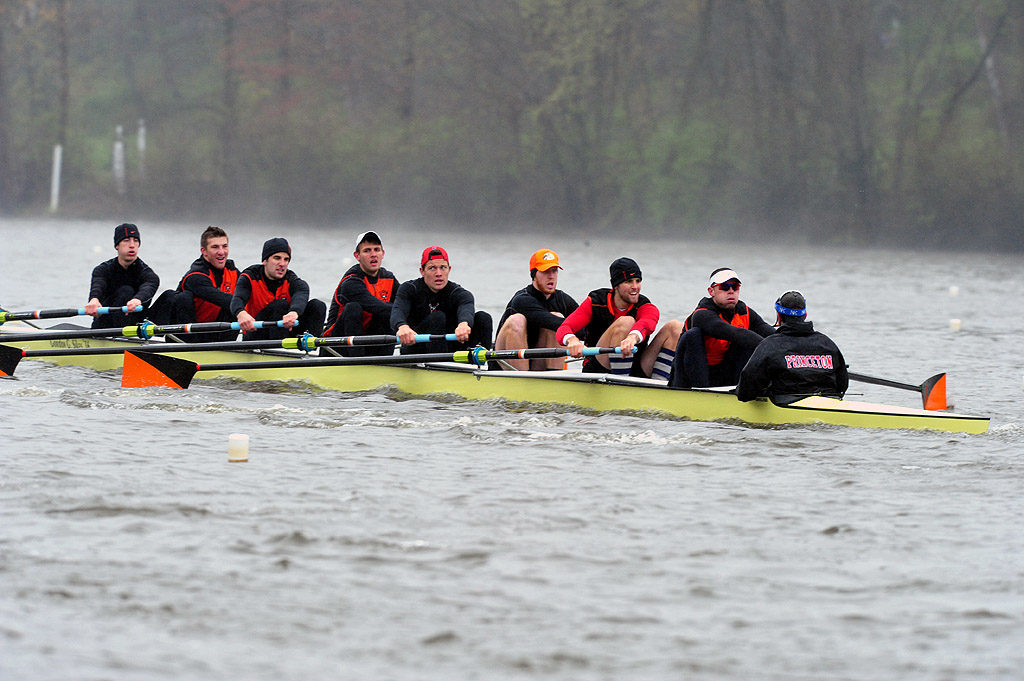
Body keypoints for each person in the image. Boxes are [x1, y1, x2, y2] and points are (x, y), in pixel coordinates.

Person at [555, 257, 682, 379]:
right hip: (598, 366)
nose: (635, 287)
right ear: (616, 286)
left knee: (676, 327)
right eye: (629, 281)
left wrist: (633, 337)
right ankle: (620, 384)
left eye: (638, 281)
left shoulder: (645, 306)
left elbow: (647, 323)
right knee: (626, 322)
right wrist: (572, 340)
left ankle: (659, 386)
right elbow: (564, 328)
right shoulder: (595, 301)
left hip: (636, 367)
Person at [668, 267, 775, 388]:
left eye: (735, 287)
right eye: (724, 287)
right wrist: (773, 349)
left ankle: (742, 388)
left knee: (748, 342)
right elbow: (733, 333)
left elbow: (772, 334)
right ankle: (700, 392)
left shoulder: (745, 312)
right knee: (693, 335)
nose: (731, 291)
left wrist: (792, 340)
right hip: (689, 376)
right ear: (711, 291)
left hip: (722, 375)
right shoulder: (702, 314)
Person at [737, 291, 848, 404]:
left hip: (785, 405)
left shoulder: (770, 345)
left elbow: (745, 392)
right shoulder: (827, 343)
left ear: (779, 316)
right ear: (805, 315)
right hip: (829, 402)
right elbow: (842, 385)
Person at [391, 246, 492, 355]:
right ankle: (439, 365)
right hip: (417, 348)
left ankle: (483, 363)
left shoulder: (459, 293)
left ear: (449, 269)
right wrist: (402, 327)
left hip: (451, 348)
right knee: (437, 317)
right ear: (422, 271)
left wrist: (463, 324)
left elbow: (466, 308)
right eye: (432, 268)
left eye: (443, 267)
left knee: (483, 317)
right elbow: (397, 311)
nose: (438, 273)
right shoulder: (409, 289)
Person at [494, 248, 579, 370]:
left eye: (554, 271)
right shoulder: (522, 299)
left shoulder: (563, 300)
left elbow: (585, 325)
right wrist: (572, 337)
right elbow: (552, 322)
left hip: (536, 364)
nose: (551, 277)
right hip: (506, 363)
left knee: (559, 317)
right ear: (534, 274)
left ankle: (556, 379)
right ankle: (521, 380)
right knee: (518, 320)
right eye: (545, 272)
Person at [230, 237, 326, 341]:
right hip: (256, 332)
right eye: (277, 258)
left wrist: (294, 312)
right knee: (280, 305)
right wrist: (241, 313)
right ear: (265, 260)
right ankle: (278, 351)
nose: (282, 264)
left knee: (318, 305)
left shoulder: (292, 280)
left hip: (284, 330)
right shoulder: (249, 277)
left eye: (286, 259)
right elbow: (237, 299)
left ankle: (310, 348)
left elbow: (301, 293)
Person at [322, 231, 399, 356]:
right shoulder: (351, 281)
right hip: (335, 346)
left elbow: (403, 302)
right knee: (355, 308)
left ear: (383, 253)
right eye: (367, 251)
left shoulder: (389, 278)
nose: (373, 255)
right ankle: (358, 361)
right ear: (357, 256)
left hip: (367, 341)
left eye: (376, 250)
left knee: (394, 312)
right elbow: (377, 306)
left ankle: (385, 360)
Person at [161, 226, 240, 342]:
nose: (221, 252)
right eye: (215, 247)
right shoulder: (196, 276)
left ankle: (231, 347)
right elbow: (221, 299)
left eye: (225, 246)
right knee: (235, 304)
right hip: (185, 338)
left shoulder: (232, 272)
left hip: (214, 334)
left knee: (240, 302)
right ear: (204, 251)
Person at [85, 222, 160, 328]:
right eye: (126, 240)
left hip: (135, 324)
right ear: (117, 246)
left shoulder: (148, 274)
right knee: (125, 291)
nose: (132, 245)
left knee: (170, 296)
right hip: (105, 325)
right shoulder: (102, 270)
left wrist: (137, 300)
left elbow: (148, 287)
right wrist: (94, 300)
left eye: (136, 241)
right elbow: (98, 286)